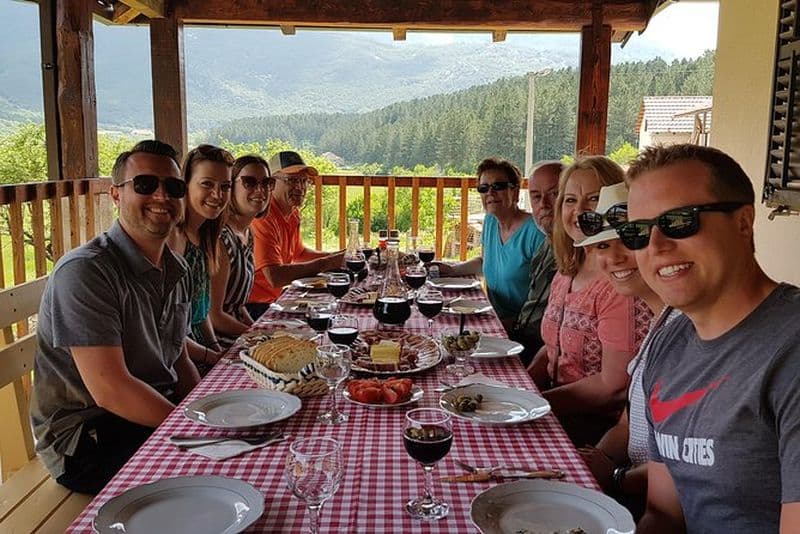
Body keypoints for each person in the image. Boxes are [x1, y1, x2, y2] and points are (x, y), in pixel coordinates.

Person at [624, 145, 800, 533]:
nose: (655, 246)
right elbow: (664, 514)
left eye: (679, 221)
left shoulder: (790, 352)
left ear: (743, 222)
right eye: (637, 232)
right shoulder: (667, 346)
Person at [29, 140, 200, 494]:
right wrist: (196, 429)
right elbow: (111, 390)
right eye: (145, 184)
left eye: (173, 187)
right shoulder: (87, 272)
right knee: (211, 478)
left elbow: (180, 360)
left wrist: (205, 410)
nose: (161, 196)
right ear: (116, 194)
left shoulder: (176, 268)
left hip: (149, 410)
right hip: (87, 435)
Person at [574, 182, 681, 520]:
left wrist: (616, 478)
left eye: (630, 240)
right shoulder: (660, 318)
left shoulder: (688, 331)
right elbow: (627, 422)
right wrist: (597, 461)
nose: (614, 257)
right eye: (603, 245)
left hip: (651, 504)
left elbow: (684, 466)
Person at [528, 156, 652, 446]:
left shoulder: (620, 281)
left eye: (593, 199)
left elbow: (612, 387)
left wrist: (534, 406)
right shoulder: (567, 270)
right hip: (554, 410)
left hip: (594, 431)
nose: (579, 210)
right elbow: (552, 346)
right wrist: (522, 385)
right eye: (570, 200)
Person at [431, 157, 545, 327]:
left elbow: (544, 303)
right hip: (492, 316)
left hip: (521, 327)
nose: (490, 193)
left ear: (515, 191)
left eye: (498, 186)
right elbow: (485, 261)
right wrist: (452, 270)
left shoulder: (536, 232)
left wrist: (504, 325)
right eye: (483, 188)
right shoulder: (491, 221)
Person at [247, 150, 345, 318]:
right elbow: (275, 277)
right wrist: (328, 263)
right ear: (271, 184)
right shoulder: (263, 217)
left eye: (304, 180)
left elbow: (299, 254)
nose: (300, 187)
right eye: (292, 180)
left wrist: (340, 256)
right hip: (255, 307)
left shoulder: (291, 213)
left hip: (276, 299)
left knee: (333, 310)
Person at [168, 144, 233, 371]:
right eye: (207, 184)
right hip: (178, 361)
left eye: (225, 186)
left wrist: (216, 348)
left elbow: (201, 312)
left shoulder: (206, 237)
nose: (217, 195)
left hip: (202, 352)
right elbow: (168, 331)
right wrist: (211, 356)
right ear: (185, 184)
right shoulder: (174, 237)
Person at [210, 155, 273, 347]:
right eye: (249, 182)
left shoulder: (247, 233)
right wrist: (258, 335)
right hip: (220, 342)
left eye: (266, 183)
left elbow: (237, 306)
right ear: (230, 187)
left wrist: (258, 331)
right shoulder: (221, 239)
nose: (260, 190)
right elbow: (215, 316)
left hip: (239, 336)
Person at [509, 160, 563, 365]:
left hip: (537, 348)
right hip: (522, 339)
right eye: (536, 196)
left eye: (554, 193)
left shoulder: (578, 253)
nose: (544, 204)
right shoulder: (547, 243)